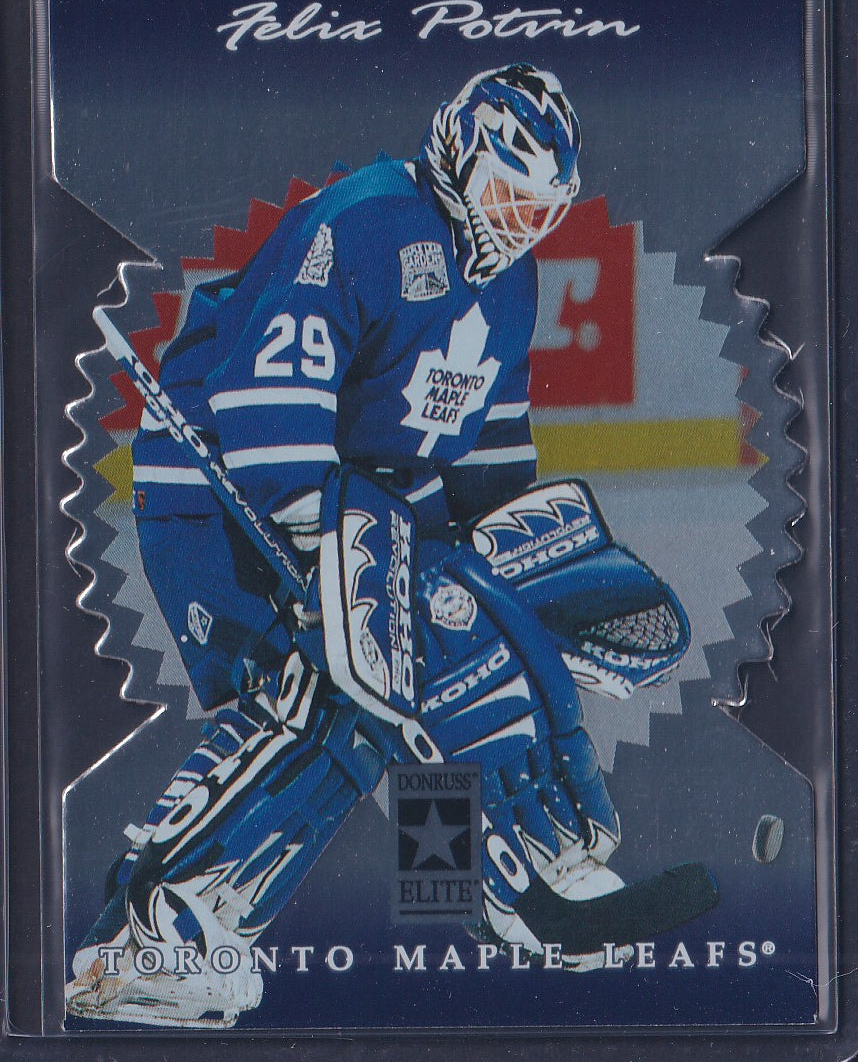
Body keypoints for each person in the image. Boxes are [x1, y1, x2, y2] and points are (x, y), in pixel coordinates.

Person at [67, 64, 666, 1028]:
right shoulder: (366, 220)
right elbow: (269, 393)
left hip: (368, 501)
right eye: (509, 194)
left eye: (542, 208)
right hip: (229, 491)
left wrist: (509, 584)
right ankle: (149, 932)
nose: (522, 224)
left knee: (455, 653)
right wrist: (321, 547)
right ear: (459, 155)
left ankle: (497, 880)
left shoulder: (511, 283)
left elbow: (490, 453)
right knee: (324, 689)